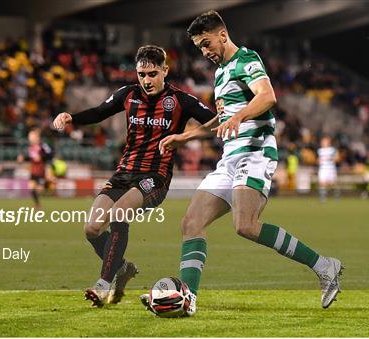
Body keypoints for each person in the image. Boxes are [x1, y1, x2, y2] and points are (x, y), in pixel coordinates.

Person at [142, 11, 343, 316]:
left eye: (207, 43)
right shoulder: (221, 73)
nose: (205, 51)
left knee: (245, 226)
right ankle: (189, 298)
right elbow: (222, 118)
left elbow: (267, 96)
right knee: (191, 223)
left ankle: (325, 266)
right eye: (199, 47)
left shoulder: (247, 59)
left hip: (256, 151)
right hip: (230, 158)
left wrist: (240, 116)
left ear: (222, 35)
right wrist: (187, 136)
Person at [52, 45, 217, 307]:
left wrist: (185, 137)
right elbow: (98, 112)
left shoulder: (181, 100)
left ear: (165, 70)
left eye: (152, 74)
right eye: (141, 74)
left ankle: (103, 285)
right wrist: (70, 116)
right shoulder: (128, 95)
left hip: (156, 176)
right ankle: (123, 268)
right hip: (124, 173)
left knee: (119, 213)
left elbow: (216, 122)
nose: (146, 80)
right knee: (92, 228)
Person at [25, 128, 52, 208]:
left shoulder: (43, 145)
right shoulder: (31, 147)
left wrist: (42, 157)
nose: (30, 138)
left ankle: (48, 186)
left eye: (31, 136)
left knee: (40, 189)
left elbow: (50, 154)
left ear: (37, 137)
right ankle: (37, 204)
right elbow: (31, 158)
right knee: (31, 187)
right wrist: (23, 158)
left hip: (41, 170)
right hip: (33, 171)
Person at [317, 136, 339, 202]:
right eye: (322, 142)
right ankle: (323, 198)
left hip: (331, 169)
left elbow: (337, 158)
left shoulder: (332, 150)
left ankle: (336, 196)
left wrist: (331, 158)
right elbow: (318, 160)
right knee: (322, 183)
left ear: (328, 142)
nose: (323, 143)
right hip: (323, 169)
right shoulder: (320, 150)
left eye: (324, 141)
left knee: (332, 184)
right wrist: (318, 161)